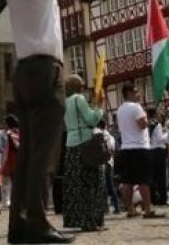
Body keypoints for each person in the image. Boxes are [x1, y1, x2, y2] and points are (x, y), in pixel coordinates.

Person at [5, 0, 80, 245]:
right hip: (46, 72)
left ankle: (19, 226)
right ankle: (38, 222)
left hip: (22, 73)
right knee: (44, 153)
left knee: (27, 154)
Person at [62, 74, 106, 232]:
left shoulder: (65, 101)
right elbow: (91, 120)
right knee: (92, 183)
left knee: (76, 185)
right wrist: (99, 107)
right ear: (78, 86)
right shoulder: (78, 98)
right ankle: (92, 220)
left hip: (71, 144)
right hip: (85, 143)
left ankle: (79, 219)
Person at [115, 82, 162, 219]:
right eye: (136, 92)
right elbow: (142, 125)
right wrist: (148, 120)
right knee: (143, 181)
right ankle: (147, 209)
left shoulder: (120, 109)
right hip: (140, 146)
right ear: (129, 93)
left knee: (127, 181)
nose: (138, 94)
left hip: (126, 147)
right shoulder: (136, 107)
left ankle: (130, 210)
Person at [98, 119, 122, 214]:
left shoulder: (98, 135)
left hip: (102, 162)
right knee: (110, 185)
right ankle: (116, 206)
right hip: (109, 162)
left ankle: (106, 207)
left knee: (102, 185)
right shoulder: (110, 136)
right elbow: (113, 149)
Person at [148, 106, 168, 206]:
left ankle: (154, 198)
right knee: (161, 176)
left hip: (150, 151)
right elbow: (161, 139)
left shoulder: (148, 124)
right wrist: (167, 133)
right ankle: (163, 198)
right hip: (159, 150)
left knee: (153, 176)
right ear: (155, 114)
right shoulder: (157, 125)